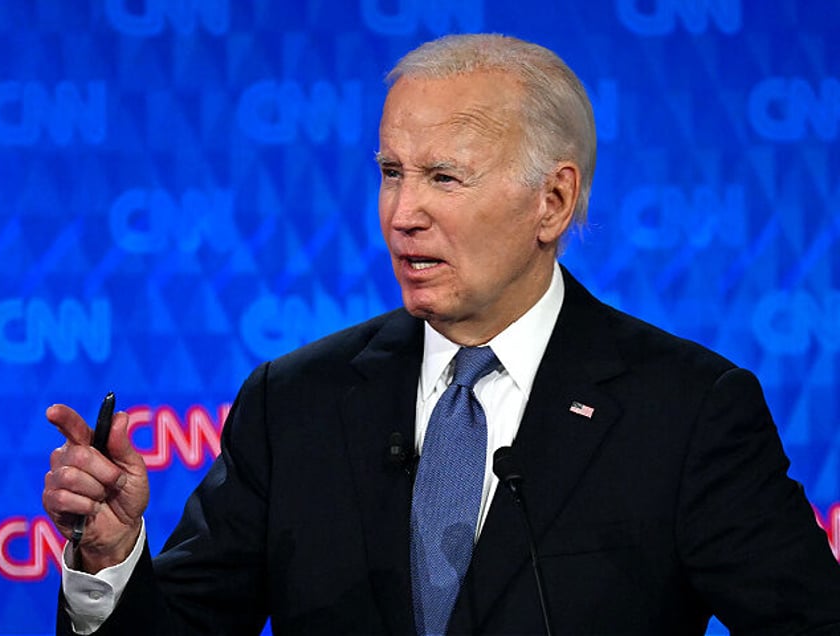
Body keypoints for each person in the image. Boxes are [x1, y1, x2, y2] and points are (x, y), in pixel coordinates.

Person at [43, 33, 840, 635]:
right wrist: (111, 559)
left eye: (443, 177)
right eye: (392, 172)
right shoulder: (295, 403)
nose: (402, 214)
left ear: (553, 204)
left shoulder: (687, 411)